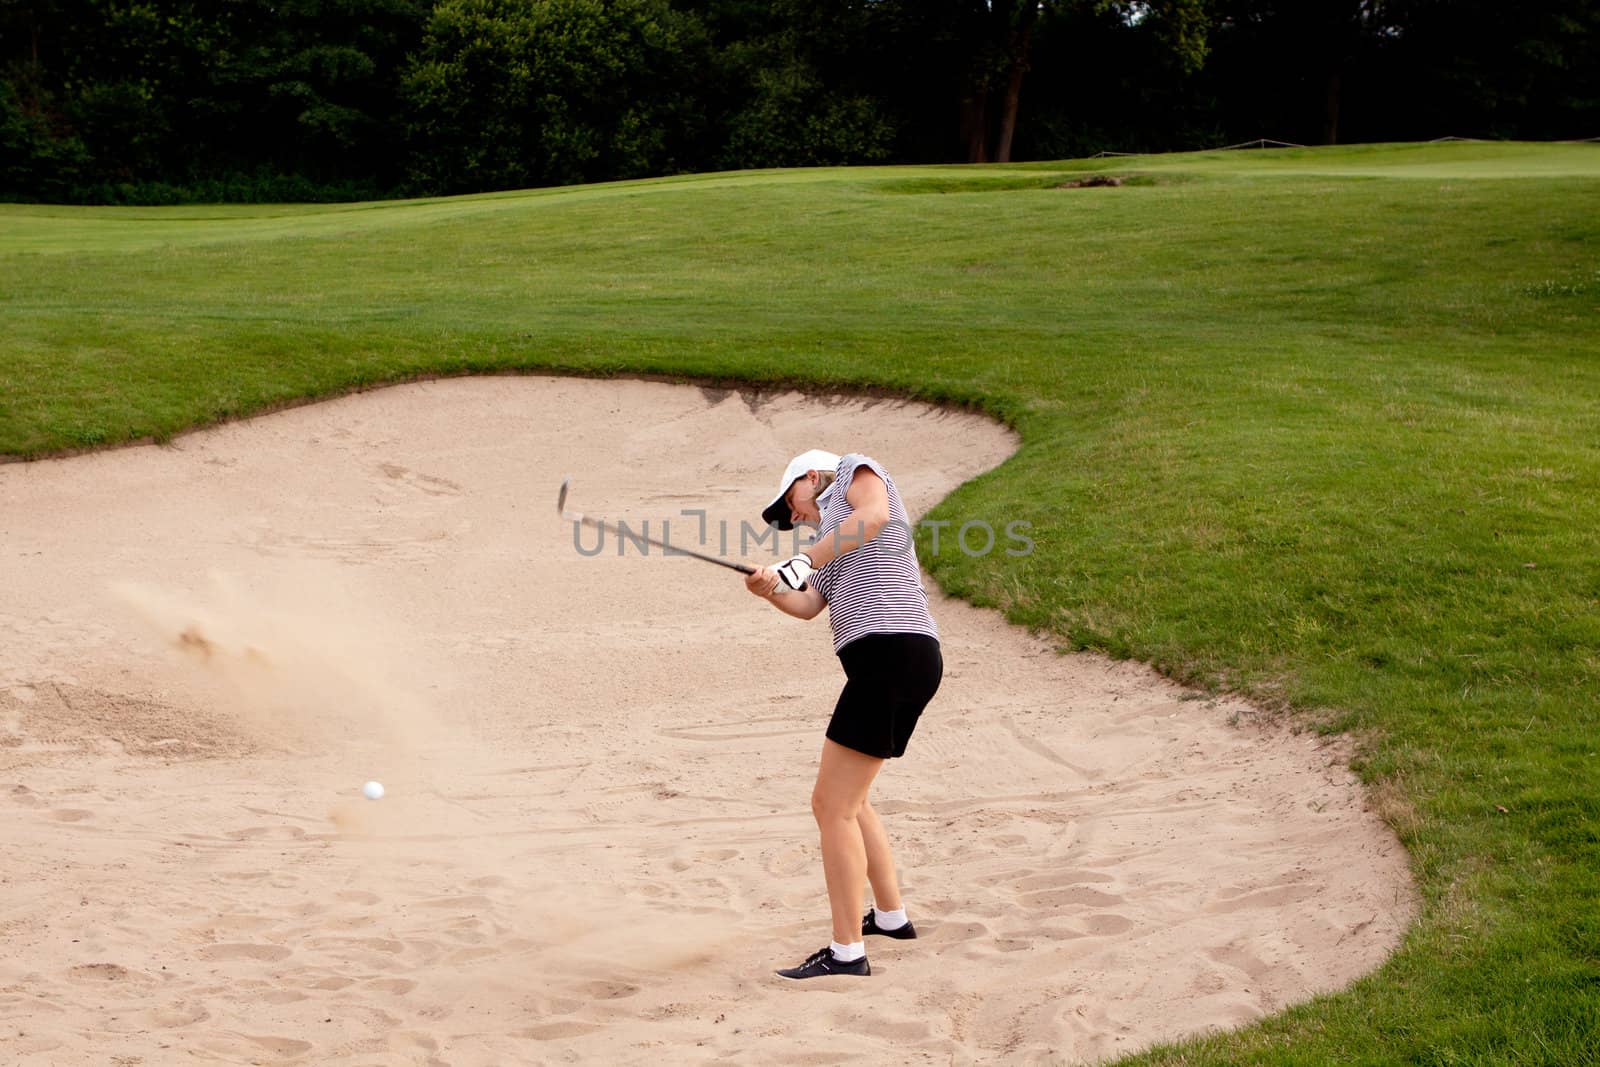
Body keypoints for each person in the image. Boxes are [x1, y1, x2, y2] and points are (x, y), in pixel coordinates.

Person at [745, 449, 944, 980]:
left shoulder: (857, 472)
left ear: (813, 478)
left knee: (829, 804)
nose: (796, 520)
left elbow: (874, 515)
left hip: (890, 655)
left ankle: (846, 953)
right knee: (852, 803)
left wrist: (806, 559)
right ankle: (890, 916)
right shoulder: (830, 547)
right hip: (895, 661)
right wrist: (770, 590)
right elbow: (809, 607)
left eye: (793, 505)